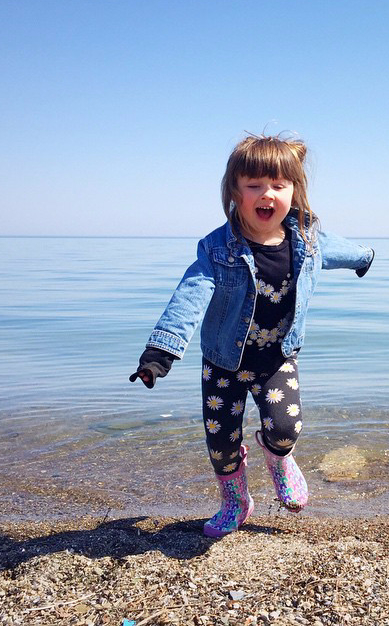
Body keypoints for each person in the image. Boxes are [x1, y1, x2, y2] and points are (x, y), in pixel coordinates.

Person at [130, 134, 374, 537]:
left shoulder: (308, 242)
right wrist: (160, 352)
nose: (267, 194)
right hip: (223, 364)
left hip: (277, 359)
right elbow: (189, 297)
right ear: (234, 191)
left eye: (279, 185)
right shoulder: (217, 249)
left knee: (285, 429)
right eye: (255, 185)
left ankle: (279, 460)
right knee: (221, 446)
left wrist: (364, 257)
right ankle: (235, 502)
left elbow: (340, 249)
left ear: (294, 191)